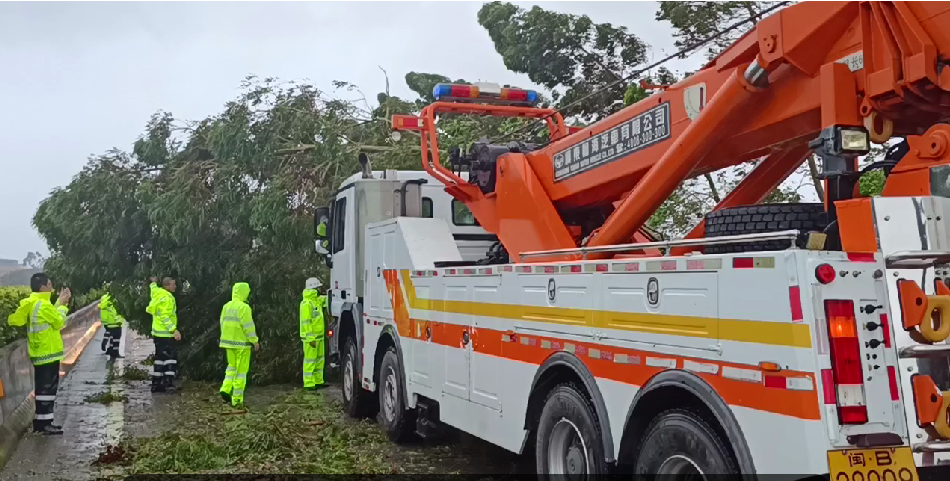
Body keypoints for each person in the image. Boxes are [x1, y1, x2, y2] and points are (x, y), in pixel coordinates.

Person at [7, 273, 70, 434]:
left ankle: (42, 422)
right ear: (43, 287)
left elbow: (50, 316)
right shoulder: (43, 306)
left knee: (43, 388)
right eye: (50, 285)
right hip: (48, 353)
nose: (52, 288)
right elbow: (59, 321)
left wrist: (58, 302)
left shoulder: (36, 304)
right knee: (47, 389)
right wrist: (63, 305)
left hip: (39, 353)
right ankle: (44, 424)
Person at [218, 282, 259, 409]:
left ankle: (225, 388)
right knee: (241, 372)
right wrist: (254, 340)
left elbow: (222, 322)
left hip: (228, 342)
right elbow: (248, 326)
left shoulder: (226, 306)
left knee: (231, 367)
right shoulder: (244, 307)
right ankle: (237, 399)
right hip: (242, 344)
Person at [146, 276, 180, 393]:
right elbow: (164, 317)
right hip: (166, 334)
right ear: (166, 286)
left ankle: (156, 384)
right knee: (170, 359)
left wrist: (153, 283)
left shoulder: (158, 294)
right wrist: (174, 330)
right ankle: (168, 384)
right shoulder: (168, 298)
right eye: (173, 284)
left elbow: (153, 290)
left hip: (157, 333)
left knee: (159, 358)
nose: (175, 286)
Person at [299, 277, 327, 390]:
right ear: (314, 288)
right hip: (311, 339)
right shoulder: (306, 304)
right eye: (318, 288)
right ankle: (309, 383)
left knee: (319, 360)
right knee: (310, 361)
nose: (320, 290)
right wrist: (310, 339)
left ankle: (318, 381)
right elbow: (306, 323)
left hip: (319, 337)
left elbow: (326, 300)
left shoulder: (316, 301)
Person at [99, 293, 124, 361]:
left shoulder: (105, 299)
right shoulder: (115, 300)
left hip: (108, 323)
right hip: (116, 323)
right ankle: (115, 354)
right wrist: (119, 320)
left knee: (111, 336)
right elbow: (116, 312)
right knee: (116, 339)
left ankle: (109, 349)